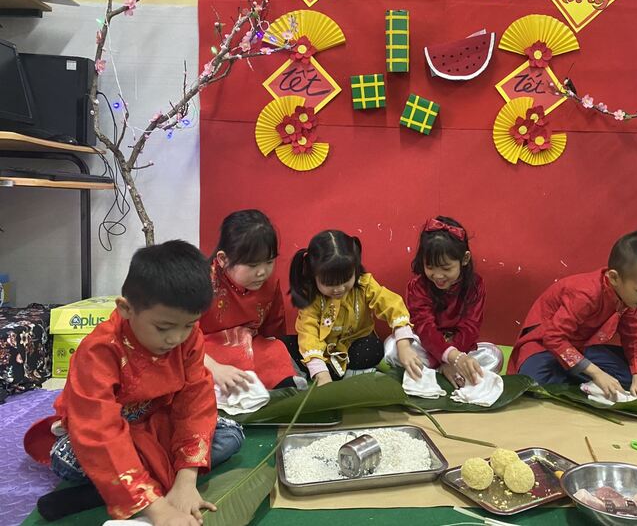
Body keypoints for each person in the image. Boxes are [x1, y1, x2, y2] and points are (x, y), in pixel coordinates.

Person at [24, 241, 244, 525]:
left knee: (231, 435)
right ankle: (140, 490)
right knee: (66, 459)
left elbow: (195, 402)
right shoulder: (99, 351)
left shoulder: (188, 338)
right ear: (126, 308)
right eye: (163, 328)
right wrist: (159, 511)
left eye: (188, 325)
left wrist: (186, 481)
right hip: (110, 431)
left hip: (158, 423)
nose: (176, 338)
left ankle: (114, 491)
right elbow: (97, 430)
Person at [508, 231, 637, 400]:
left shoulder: (628, 298)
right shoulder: (586, 294)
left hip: (582, 349)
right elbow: (553, 338)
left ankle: (582, 379)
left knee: (627, 378)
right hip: (543, 347)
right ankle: (583, 381)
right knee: (534, 381)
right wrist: (597, 374)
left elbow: (635, 339)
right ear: (614, 278)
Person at [286, 229, 422, 385]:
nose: (339, 289)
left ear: (355, 269)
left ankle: (337, 373)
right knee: (285, 344)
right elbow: (308, 334)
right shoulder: (311, 297)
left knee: (373, 348)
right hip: (323, 353)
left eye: (346, 279)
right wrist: (321, 373)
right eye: (329, 283)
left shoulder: (364, 284)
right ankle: (329, 373)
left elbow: (392, 305)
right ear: (313, 275)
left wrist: (404, 346)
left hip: (355, 349)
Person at [384, 216, 502, 387]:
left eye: (446, 268)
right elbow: (424, 327)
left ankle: (435, 374)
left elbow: (470, 327)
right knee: (392, 348)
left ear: (465, 259)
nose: (438, 276)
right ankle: (444, 373)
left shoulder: (475, 285)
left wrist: (455, 358)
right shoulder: (417, 286)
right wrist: (450, 358)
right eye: (430, 267)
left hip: (460, 349)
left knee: (494, 356)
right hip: (427, 345)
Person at [199, 210, 301, 393]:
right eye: (252, 265)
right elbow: (182, 340)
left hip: (251, 346)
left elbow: (273, 328)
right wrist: (214, 368)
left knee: (275, 351)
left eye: (269, 262)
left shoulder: (268, 283)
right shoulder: (202, 283)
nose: (262, 272)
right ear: (223, 259)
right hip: (205, 352)